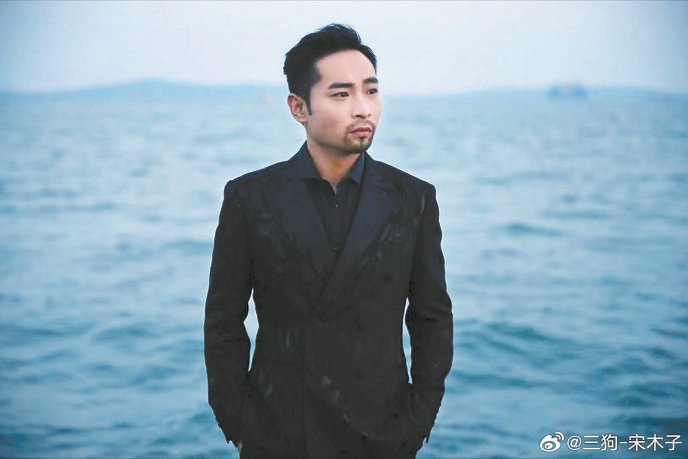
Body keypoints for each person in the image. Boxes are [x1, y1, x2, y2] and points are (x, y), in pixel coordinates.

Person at [204, 23, 453, 459]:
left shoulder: (412, 198)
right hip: (279, 434)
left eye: (371, 91)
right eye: (341, 94)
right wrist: (239, 422)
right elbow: (224, 321)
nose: (363, 108)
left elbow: (431, 317)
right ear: (299, 107)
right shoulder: (250, 197)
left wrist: (418, 420)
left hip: (382, 434)